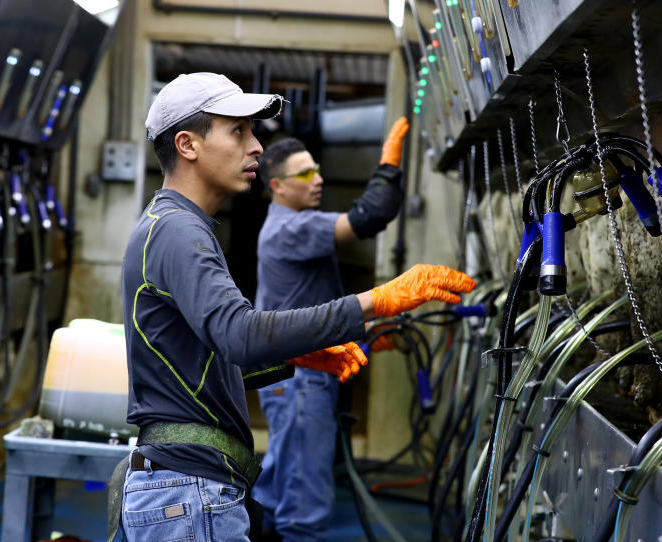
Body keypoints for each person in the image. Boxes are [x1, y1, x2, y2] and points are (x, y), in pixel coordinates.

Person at [113, 72, 475, 542]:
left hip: (186, 489)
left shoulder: (176, 225)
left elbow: (201, 358)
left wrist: (296, 357)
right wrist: (374, 301)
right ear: (188, 144)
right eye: (238, 131)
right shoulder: (179, 231)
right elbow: (238, 333)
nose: (257, 147)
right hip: (187, 491)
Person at [252, 119, 408, 541]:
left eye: (316, 169)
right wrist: (388, 165)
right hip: (302, 379)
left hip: (296, 375)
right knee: (304, 500)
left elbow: (314, 305)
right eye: (304, 173)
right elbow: (368, 217)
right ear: (278, 186)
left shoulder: (288, 226)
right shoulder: (292, 228)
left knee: (283, 474)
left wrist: (367, 335)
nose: (317, 179)